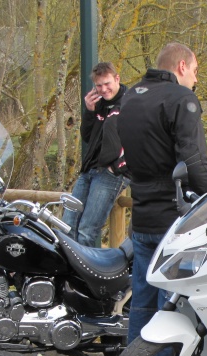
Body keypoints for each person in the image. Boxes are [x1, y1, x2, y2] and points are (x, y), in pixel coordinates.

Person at [117, 42, 207, 356]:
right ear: (183, 64)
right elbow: (193, 160)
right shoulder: (180, 99)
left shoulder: (130, 97)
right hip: (175, 217)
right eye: (195, 71)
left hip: (141, 213)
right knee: (172, 308)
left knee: (141, 301)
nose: (196, 79)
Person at [63, 62, 128, 247]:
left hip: (111, 173)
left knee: (86, 231)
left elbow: (139, 139)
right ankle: (68, 273)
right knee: (67, 226)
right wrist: (90, 112)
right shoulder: (98, 104)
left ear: (117, 79)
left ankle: (86, 275)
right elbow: (88, 137)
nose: (104, 89)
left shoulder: (129, 103)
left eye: (107, 84)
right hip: (89, 169)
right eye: (99, 86)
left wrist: (117, 167)